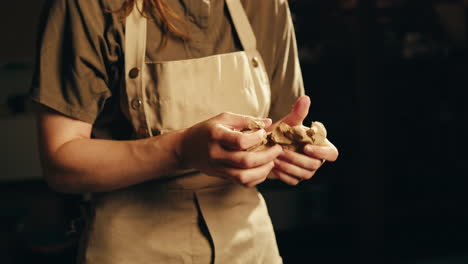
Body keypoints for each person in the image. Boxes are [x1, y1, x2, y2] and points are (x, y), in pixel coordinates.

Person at [31, 0, 339, 263]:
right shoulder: (88, 6)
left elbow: (278, 131)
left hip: (250, 248)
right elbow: (61, 162)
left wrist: (295, 151)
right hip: (132, 248)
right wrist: (180, 150)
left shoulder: (266, 4)